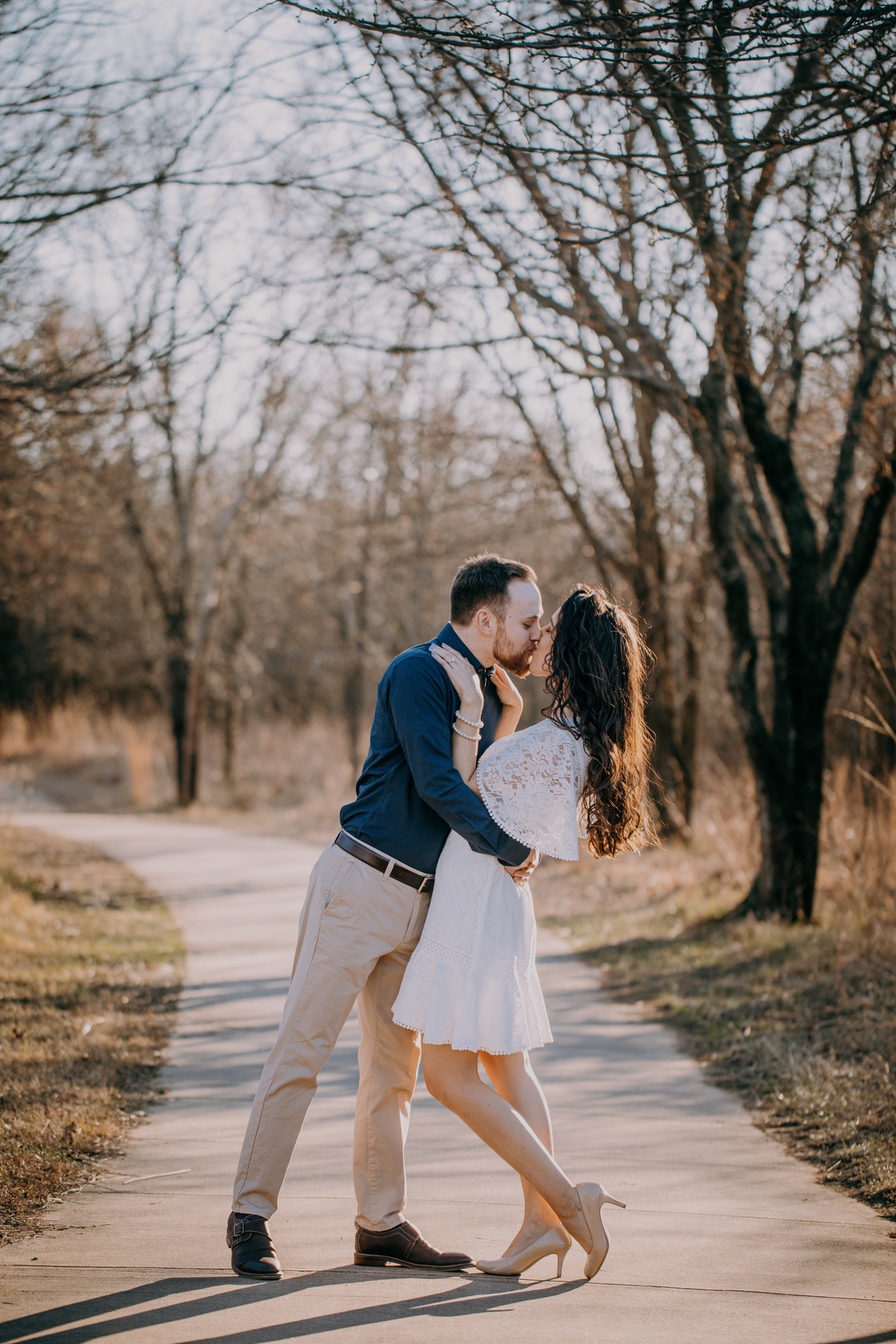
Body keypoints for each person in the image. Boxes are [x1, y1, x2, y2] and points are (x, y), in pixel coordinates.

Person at [226, 554, 543, 1279]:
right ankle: (249, 1216)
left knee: (393, 1073)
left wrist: (514, 716)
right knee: (301, 1052)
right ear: (485, 618)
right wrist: (506, 846)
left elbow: (483, 784)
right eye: (525, 621)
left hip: (424, 905)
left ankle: (381, 1225)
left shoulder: (494, 694)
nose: (533, 635)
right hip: (359, 885)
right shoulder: (417, 673)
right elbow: (437, 782)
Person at [392, 584, 653, 1279]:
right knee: (508, 1069)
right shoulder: (566, 738)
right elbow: (495, 803)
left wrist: (497, 722)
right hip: (492, 906)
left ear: (572, 649)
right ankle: (541, 1226)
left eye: (550, 630)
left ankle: (569, 1203)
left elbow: (465, 793)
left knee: (448, 1076)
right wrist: (508, 709)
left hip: (476, 906)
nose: (537, 639)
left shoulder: (553, 745)